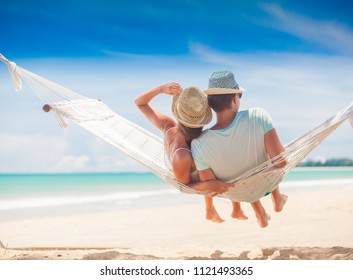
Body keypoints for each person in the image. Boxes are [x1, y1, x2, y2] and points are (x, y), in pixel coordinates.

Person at [191, 71, 288, 228]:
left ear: (210, 104)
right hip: (267, 184)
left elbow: (211, 187)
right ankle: (277, 200)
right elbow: (282, 162)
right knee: (265, 154)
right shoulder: (258, 116)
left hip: (235, 193)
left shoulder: (198, 143)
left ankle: (262, 212)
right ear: (235, 98)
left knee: (239, 165)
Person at [135, 83, 232, 219]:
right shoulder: (184, 154)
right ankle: (211, 209)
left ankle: (211, 209)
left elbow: (139, 103)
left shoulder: (168, 125)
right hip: (182, 171)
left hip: (180, 162)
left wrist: (160, 89)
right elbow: (184, 186)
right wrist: (209, 185)